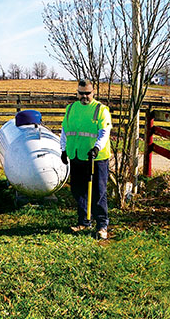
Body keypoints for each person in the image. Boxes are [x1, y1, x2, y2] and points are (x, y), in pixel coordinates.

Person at [60, 79, 112, 239]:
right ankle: (84, 221)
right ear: (77, 92)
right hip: (76, 156)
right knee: (78, 191)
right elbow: (65, 131)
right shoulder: (70, 109)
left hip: (96, 159)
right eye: (81, 93)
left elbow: (104, 132)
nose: (84, 96)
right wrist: (63, 150)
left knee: (98, 193)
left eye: (87, 93)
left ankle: (102, 225)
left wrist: (96, 148)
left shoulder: (100, 110)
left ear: (93, 92)